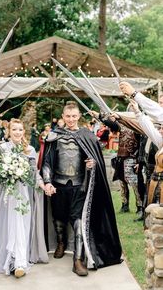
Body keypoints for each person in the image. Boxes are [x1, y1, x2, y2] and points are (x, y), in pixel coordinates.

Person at [41, 101, 122, 276]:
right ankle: (61, 243)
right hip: (58, 185)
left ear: (79, 116)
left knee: (78, 220)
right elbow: (47, 162)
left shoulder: (87, 135)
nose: (71, 119)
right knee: (58, 217)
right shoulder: (54, 136)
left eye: (74, 116)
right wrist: (47, 181)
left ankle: (77, 259)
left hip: (79, 185)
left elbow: (94, 158)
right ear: (63, 117)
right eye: (68, 116)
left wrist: (92, 164)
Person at [0, 118, 48, 278]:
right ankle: (11, 259)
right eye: (14, 129)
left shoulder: (30, 149)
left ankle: (20, 260)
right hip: (7, 195)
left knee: (23, 224)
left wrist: (43, 185)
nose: (17, 132)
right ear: (9, 132)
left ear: (24, 132)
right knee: (9, 225)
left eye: (20, 130)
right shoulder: (2, 148)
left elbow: (35, 173)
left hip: (23, 194)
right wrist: (6, 172)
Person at [129, 99, 163, 204]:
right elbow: (150, 129)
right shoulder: (161, 142)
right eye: (161, 128)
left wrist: (135, 94)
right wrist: (137, 112)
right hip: (156, 184)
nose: (160, 130)